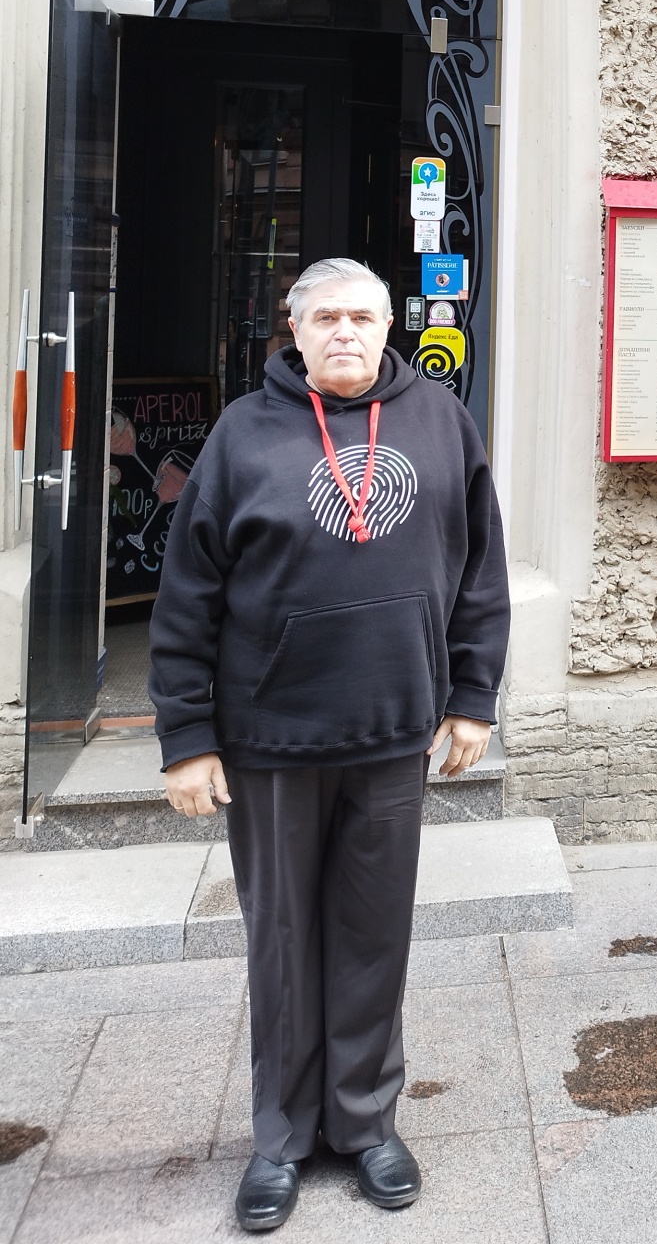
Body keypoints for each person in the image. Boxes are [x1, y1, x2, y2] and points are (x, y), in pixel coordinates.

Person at [148, 257, 509, 1233]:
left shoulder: (442, 421)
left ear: (387, 325)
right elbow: (187, 595)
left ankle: (364, 1124)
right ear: (295, 331)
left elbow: (480, 570)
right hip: (269, 739)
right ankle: (282, 1138)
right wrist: (187, 737)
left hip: (393, 734)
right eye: (326, 319)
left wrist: (471, 696)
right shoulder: (242, 435)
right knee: (281, 941)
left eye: (362, 317)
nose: (344, 333)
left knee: (370, 939)